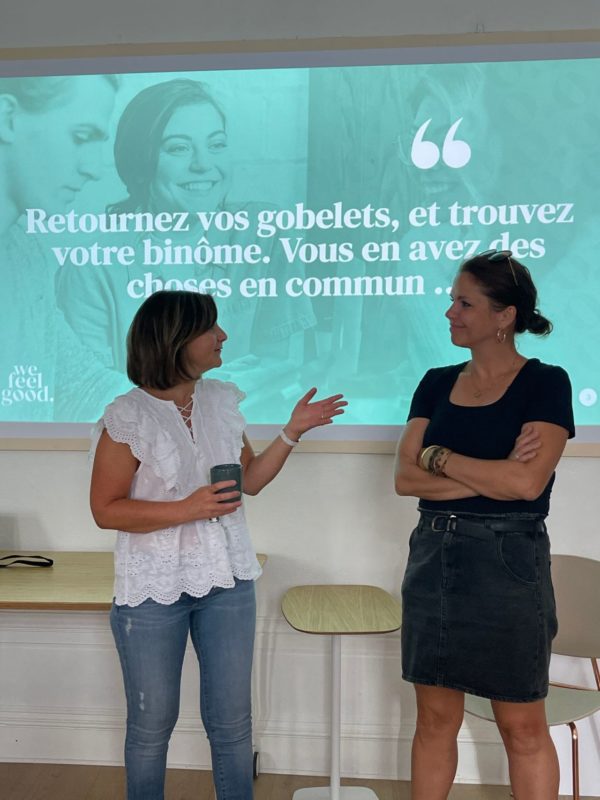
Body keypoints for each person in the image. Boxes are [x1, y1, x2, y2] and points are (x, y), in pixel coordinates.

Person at [89, 289, 346, 800]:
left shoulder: (221, 399)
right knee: (150, 726)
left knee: (232, 723)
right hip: (152, 588)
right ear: (176, 340)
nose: (223, 336)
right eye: (211, 328)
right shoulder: (128, 416)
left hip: (227, 580)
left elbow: (248, 482)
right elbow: (106, 509)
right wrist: (186, 508)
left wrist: (291, 433)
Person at [394, 249, 574, 800]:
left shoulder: (546, 383)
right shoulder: (434, 381)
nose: (450, 312)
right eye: (452, 300)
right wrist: (493, 472)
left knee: (522, 727)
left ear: (505, 316)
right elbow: (405, 477)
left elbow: (525, 486)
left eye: (464, 302)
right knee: (433, 722)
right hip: (434, 556)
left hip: (509, 563)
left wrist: (440, 458)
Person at [56, 78, 316, 420]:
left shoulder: (264, 233)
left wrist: (163, 397)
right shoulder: (89, 267)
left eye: (217, 145)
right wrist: (204, 399)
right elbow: (92, 395)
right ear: (141, 160)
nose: (203, 165)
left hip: (251, 437)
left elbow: (283, 369)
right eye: (179, 148)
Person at [0, 75, 128, 421]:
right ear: (6, 117)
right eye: (80, 137)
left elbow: (80, 384)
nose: (92, 168)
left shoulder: (25, 256)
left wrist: (186, 399)